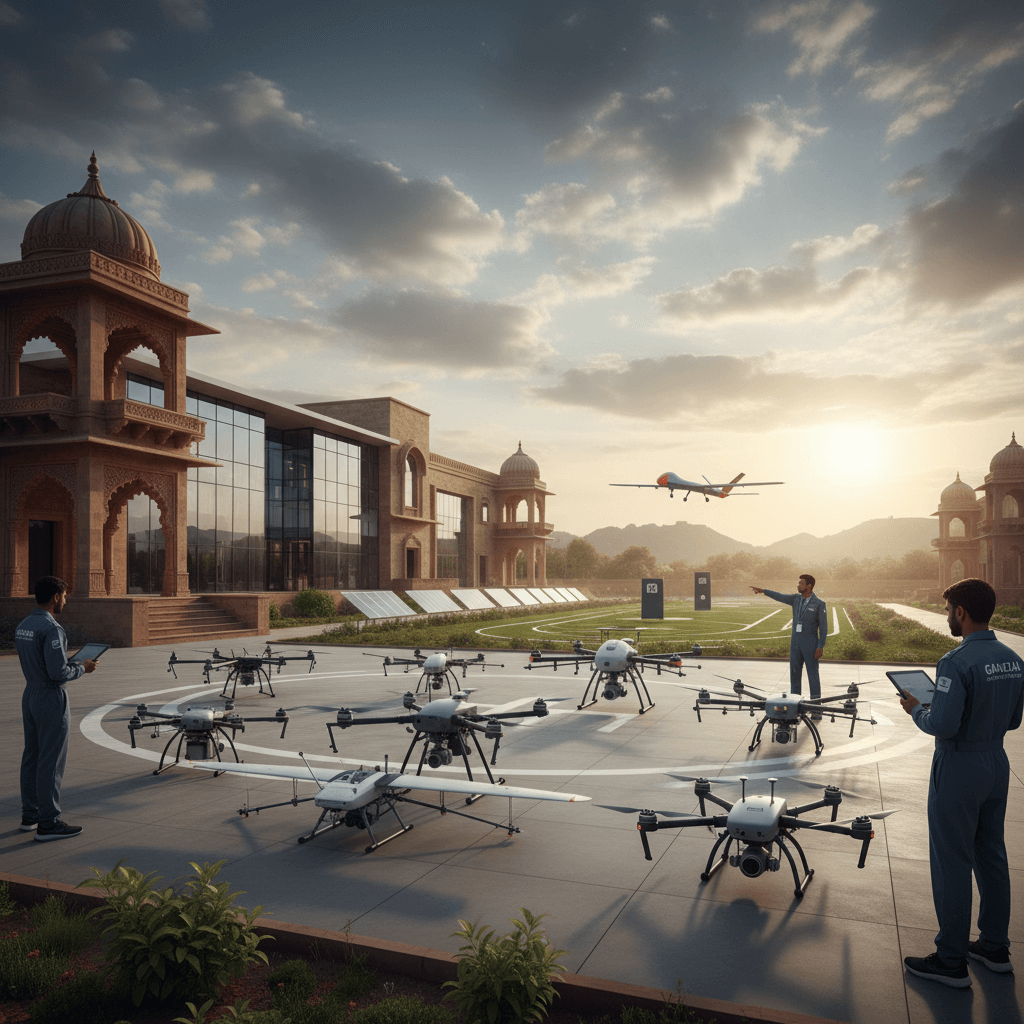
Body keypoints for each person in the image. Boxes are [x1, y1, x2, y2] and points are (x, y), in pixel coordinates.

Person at [900, 578, 1023, 987]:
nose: (947, 615)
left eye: (948, 608)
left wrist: (918, 709)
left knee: (952, 860)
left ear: (961, 612)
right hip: (995, 762)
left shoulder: (955, 661)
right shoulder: (1012, 658)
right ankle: (993, 945)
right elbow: (1013, 719)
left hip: (959, 767)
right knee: (991, 854)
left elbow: (944, 725)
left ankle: (951, 959)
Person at [15, 576, 98, 841]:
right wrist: (82, 668)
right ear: (54, 597)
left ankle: (31, 814)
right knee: (51, 760)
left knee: (32, 756)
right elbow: (57, 672)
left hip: (30, 694)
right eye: (64, 596)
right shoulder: (52, 629)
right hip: (50, 698)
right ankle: (48, 823)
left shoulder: (24, 625)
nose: (65, 600)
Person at [749, 574, 827, 708]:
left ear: (809, 586)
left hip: (810, 645)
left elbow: (824, 628)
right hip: (795, 644)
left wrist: (820, 646)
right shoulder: (795, 599)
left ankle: (816, 708)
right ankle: (794, 706)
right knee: (794, 675)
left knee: (813, 676)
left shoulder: (819, 604)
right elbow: (779, 596)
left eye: (801, 584)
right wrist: (763, 591)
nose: (798, 586)